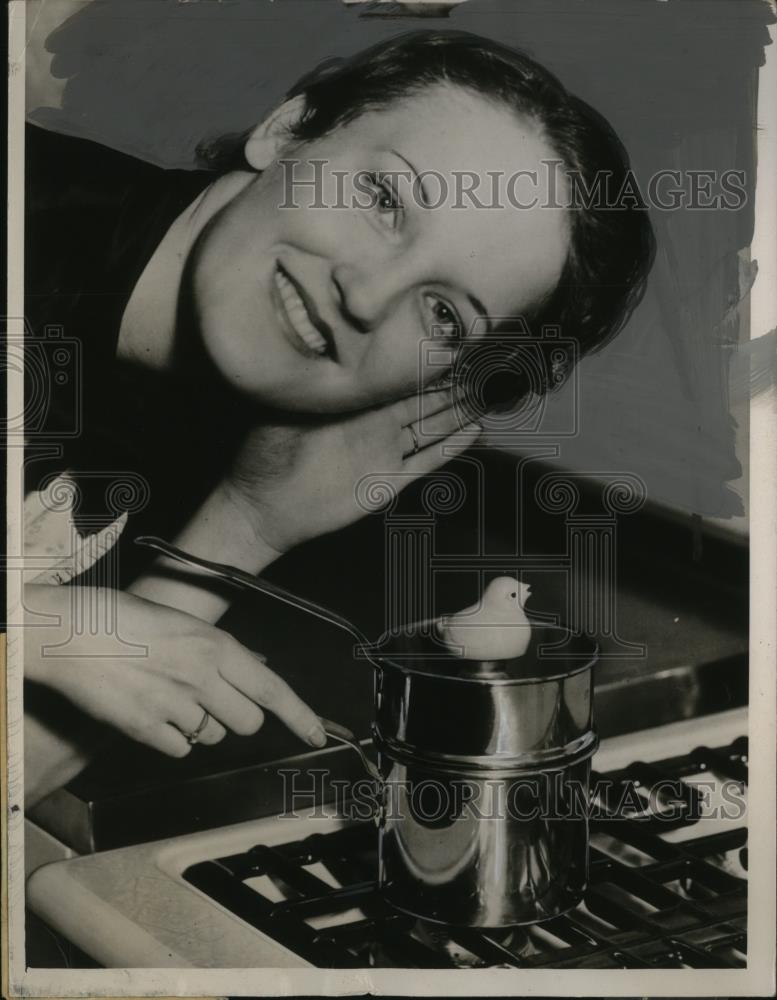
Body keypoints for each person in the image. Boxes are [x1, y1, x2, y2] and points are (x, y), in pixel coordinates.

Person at [22, 29, 655, 806]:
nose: (365, 294)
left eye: (444, 314)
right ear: (285, 131)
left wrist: (246, 526)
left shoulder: (235, 434)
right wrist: (35, 626)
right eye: (384, 201)